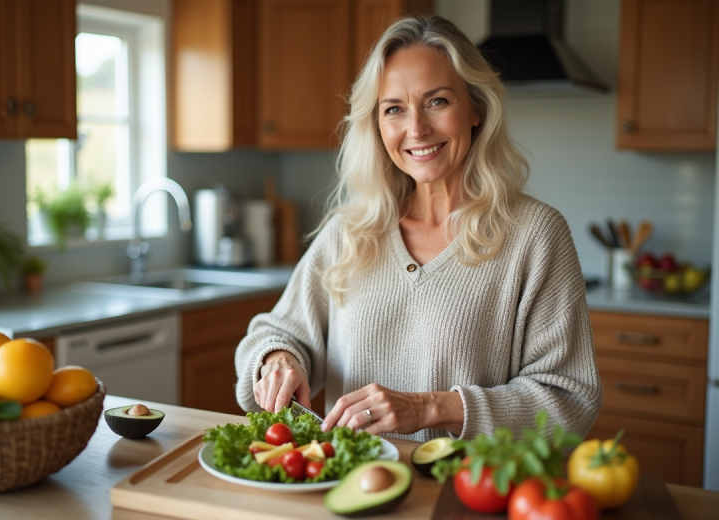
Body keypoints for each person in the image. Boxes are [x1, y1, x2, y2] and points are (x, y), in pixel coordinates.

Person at [234, 14, 602, 443]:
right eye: (394, 109)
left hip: (467, 496)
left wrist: (431, 408)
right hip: (351, 492)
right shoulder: (350, 232)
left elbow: (570, 399)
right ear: (377, 124)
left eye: (438, 101)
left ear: (476, 109)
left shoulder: (536, 235)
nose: (416, 129)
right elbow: (278, 332)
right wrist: (279, 359)